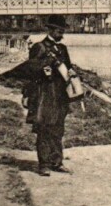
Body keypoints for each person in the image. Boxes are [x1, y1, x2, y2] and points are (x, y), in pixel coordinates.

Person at [25, 15, 76, 176]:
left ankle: (57, 162)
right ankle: (44, 165)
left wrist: (72, 71)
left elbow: (68, 67)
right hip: (44, 95)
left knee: (58, 129)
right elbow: (30, 72)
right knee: (44, 129)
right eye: (60, 31)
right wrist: (42, 72)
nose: (62, 35)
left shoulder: (62, 49)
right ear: (52, 30)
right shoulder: (39, 48)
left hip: (60, 95)